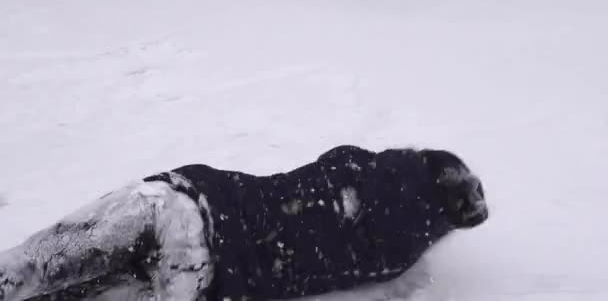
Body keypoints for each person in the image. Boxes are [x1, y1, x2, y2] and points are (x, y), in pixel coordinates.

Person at [0, 145, 488, 301]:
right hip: (202, 281)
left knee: (28, 269)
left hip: (189, 204)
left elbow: (339, 165)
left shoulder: (360, 169)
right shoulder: (394, 255)